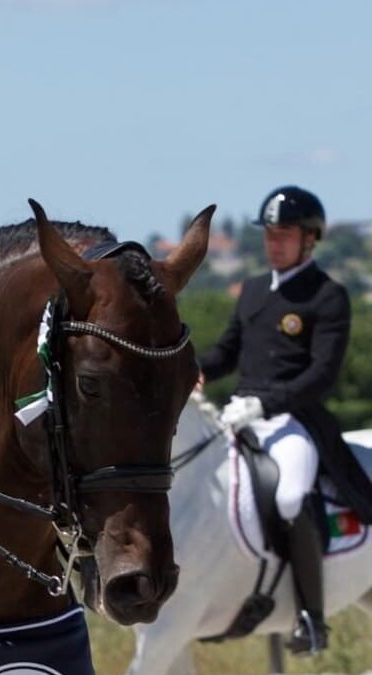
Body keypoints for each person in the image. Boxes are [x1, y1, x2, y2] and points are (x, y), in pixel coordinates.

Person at [198, 185, 350, 655]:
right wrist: (193, 370)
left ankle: (311, 617)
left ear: (309, 239)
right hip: (240, 413)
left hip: (293, 420)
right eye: (269, 235)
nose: (273, 243)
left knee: (288, 498)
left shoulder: (327, 296)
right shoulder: (254, 290)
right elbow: (228, 350)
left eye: (283, 235)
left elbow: (321, 375)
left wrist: (268, 404)